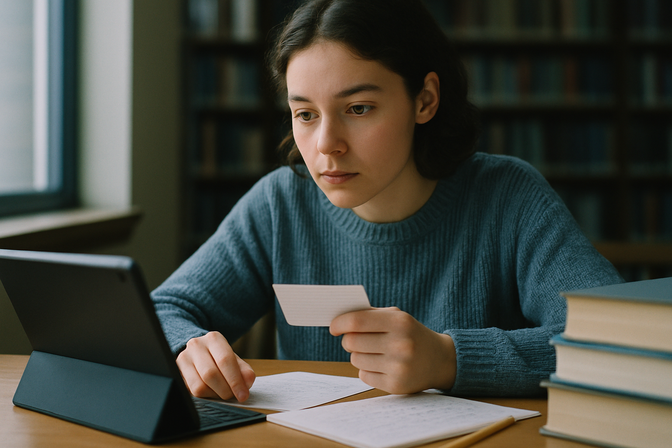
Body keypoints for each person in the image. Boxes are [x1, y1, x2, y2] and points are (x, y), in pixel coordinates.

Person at [151, 0, 623, 404]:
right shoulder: (281, 203)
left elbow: (618, 345)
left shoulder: (508, 197)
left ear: (425, 100)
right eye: (305, 114)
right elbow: (163, 308)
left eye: (358, 109)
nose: (325, 145)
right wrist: (187, 346)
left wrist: (450, 359)